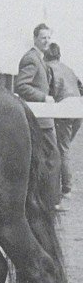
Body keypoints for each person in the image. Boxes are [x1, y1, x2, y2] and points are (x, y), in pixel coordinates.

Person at [15, 23, 61, 208]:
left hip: (45, 119)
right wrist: (43, 97)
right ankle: (48, 202)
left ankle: (41, 199)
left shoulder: (40, 59)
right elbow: (21, 85)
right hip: (39, 120)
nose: (47, 41)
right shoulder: (31, 59)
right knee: (52, 158)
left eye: (49, 38)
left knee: (44, 159)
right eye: (43, 38)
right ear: (35, 39)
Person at [44, 42, 83, 199]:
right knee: (64, 148)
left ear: (47, 55)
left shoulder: (48, 68)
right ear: (59, 55)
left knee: (62, 149)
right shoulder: (69, 69)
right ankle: (65, 185)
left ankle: (66, 188)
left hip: (64, 109)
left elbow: (46, 89)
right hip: (78, 109)